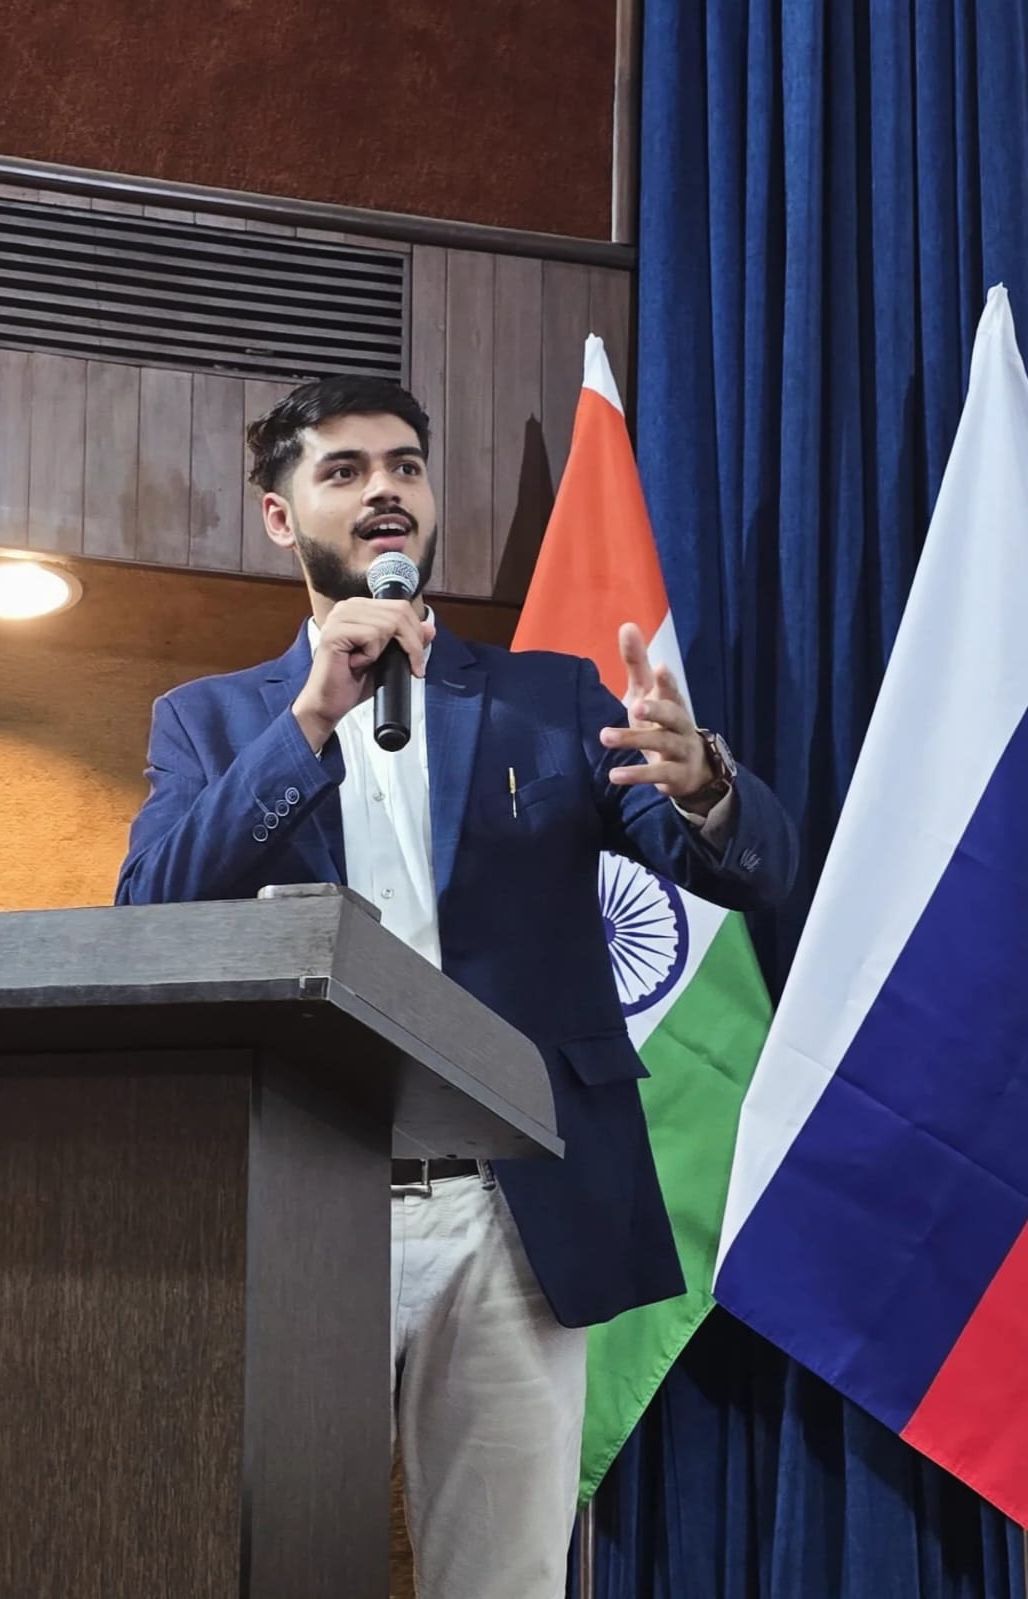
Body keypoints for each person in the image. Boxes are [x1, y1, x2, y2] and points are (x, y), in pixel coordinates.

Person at [116, 374, 797, 1599]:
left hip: (516, 1212)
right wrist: (312, 720)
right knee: (274, 1564)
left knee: (505, 1582)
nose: (385, 490)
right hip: (300, 1198)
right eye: (344, 471)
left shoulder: (549, 700)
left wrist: (705, 785)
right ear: (281, 517)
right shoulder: (209, 723)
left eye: (406, 468)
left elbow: (751, 872)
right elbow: (150, 913)